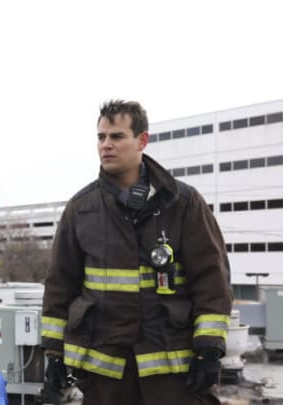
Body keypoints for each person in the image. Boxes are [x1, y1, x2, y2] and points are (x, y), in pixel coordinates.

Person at [39, 100, 232, 405]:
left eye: (116, 137)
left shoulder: (183, 203)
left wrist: (209, 350)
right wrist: (53, 354)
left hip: (173, 373)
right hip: (106, 374)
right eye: (101, 137)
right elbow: (59, 287)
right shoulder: (81, 209)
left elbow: (212, 281)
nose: (106, 145)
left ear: (142, 140)